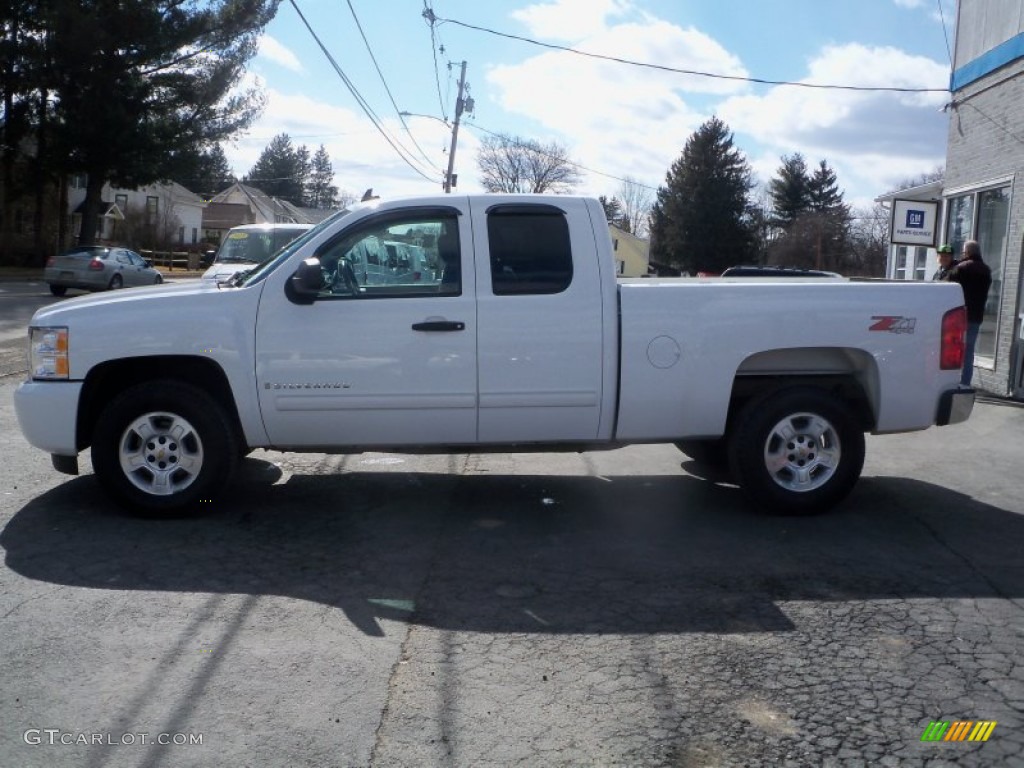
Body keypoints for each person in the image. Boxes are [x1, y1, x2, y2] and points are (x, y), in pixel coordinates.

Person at [949, 239, 992, 386]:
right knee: (969, 352)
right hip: (976, 316)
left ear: (967, 252)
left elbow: (950, 287)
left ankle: (952, 381)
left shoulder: (961, 268)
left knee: (952, 349)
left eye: (963, 252)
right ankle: (965, 382)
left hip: (960, 315)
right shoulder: (986, 270)